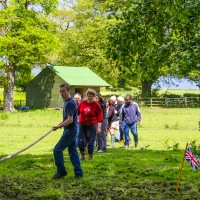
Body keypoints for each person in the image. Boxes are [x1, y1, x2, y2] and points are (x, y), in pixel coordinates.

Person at [52, 83, 83, 179]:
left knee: (57, 150)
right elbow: (69, 118)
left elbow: (70, 119)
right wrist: (61, 124)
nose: (62, 93)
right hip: (71, 129)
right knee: (73, 151)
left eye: (64, 91)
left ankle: (61, 171)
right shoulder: (68, 102)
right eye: (60, 91)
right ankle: (79, 173)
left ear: (69, 91)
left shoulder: (69, 103)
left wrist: (59, 126)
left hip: (71, 130)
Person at [78, 88, 103, 160]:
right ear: (86, 96)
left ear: (94, 96)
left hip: (92, 125)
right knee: (80, 141)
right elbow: (77, 112)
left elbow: (100, 117)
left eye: (91, 96)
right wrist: (77, 119)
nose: (90, 97)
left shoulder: (96, 105)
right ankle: (82, 154)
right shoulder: (82, 103)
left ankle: (90, 155)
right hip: (82, 124)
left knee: (91, 141)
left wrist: (99, 127)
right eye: (88, 96)